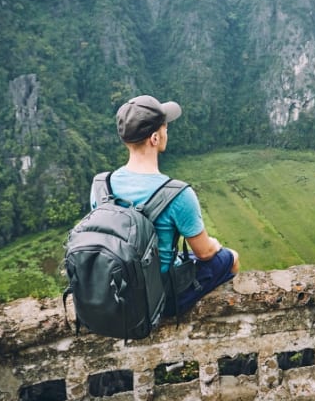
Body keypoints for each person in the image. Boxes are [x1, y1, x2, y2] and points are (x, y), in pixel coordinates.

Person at [102, 94, 239, 315]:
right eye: (165, 126)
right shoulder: (178, 194)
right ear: (155, 138)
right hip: (159, 298)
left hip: (120, 289)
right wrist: (214, 243)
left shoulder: (101, 185)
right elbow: (204, 253)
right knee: (230, 257)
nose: (168, 130)